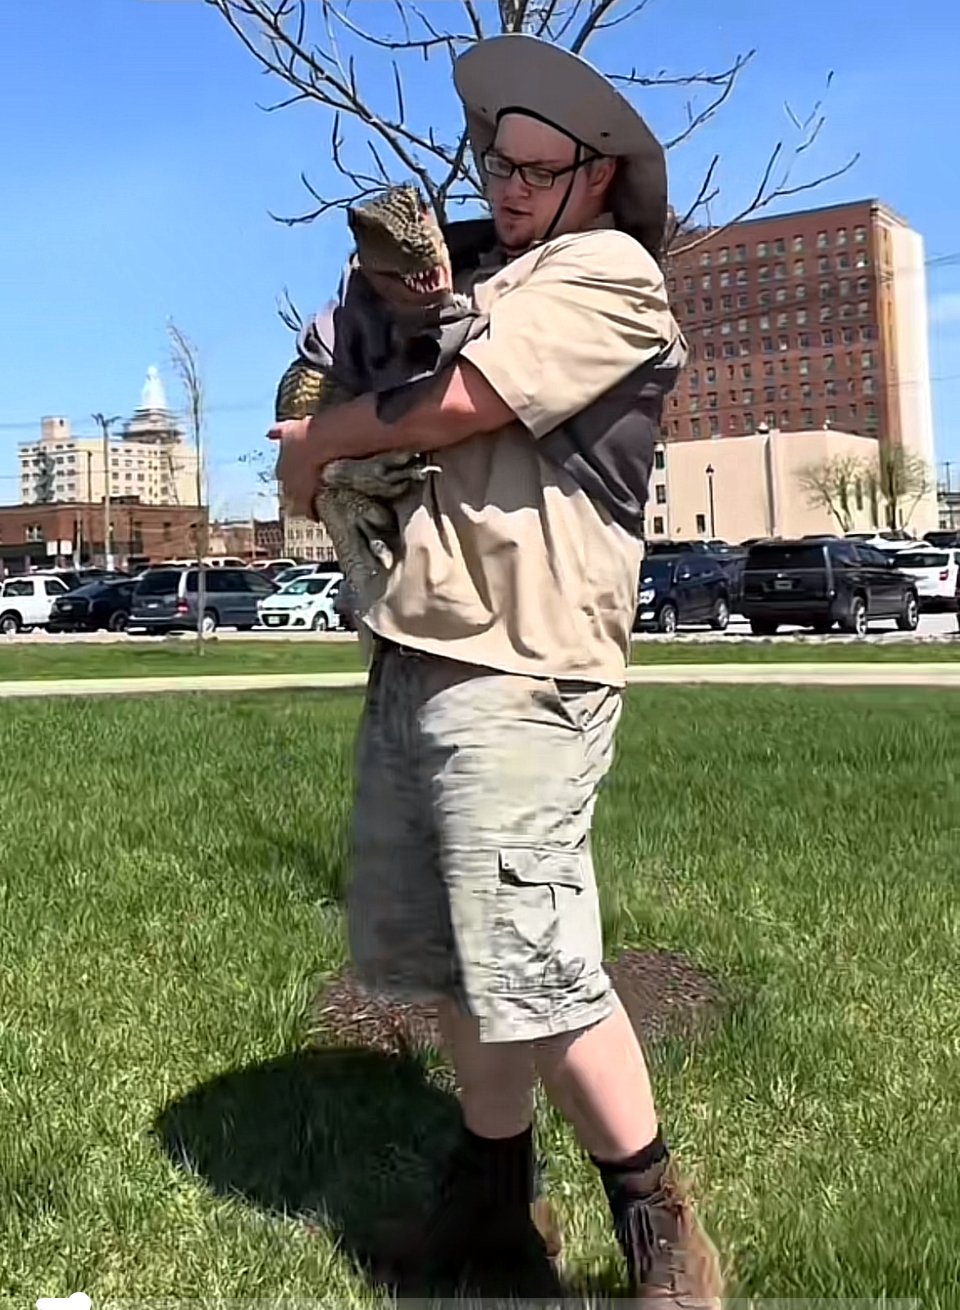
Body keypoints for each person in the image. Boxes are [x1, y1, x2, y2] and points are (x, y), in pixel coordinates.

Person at [269, 32, 722, 1303]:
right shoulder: (489, 271)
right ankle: (493, 1210)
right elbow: (387, 361)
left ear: (598, 173)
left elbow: (462, 400)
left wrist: (314, 442)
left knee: (531, 954)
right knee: (446, 958)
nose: (505, 187)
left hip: (525, 661)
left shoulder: (612, 275)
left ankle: (661, 1228)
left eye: (534, 168)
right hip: (423, 640)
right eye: (493, 161)